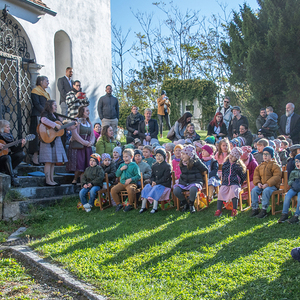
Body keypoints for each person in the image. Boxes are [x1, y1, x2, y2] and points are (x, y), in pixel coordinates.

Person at [39, 100, 68, 186]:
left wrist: (73, 126)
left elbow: (60, 126)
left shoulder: (55, 115)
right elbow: (43, 120)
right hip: (47, 139)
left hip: (54, 139)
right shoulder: (45, 113)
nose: (56, 107)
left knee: (52, 161)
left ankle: (51, 179)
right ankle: (48, 180)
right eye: (54, 105)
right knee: (48, 161)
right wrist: (54, 125)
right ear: (49, 106)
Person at [173, 145, 208, 213]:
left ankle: (191, 204)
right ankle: (185, 203)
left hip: (195, 181)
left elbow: (205, 170)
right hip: (184, 182)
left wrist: (204, 182)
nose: (182, 155)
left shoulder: (196, 161)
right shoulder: (182, 163)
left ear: (189, 155)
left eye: (184, 154)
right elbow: (183, 174)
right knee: (176, 191)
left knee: (193, 189)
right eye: (182, 154)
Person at [215, 147, 247, 217]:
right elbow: (223, 173)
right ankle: (218, 209)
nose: (231, 157)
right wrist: (224, 180)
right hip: (226, 182)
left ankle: (234, 209)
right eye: (231, 155)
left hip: (235, 183)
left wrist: (239, 182)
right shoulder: (226, 164)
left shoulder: (239, 166)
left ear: (237, 158)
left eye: (233, 157)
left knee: (234, 191)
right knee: (221, 192)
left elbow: (243, 175)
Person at [66, 106, 95, 185]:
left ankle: (82, 184)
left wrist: (91, 142)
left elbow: (92, 134)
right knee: (80, 163)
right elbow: (75, 135)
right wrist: (85, 142)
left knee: (86, 164)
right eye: (87, 111)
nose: (89, 112)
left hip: (87, 146)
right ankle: (75, 179)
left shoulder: (89, 122)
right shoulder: (76, 121)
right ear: (82, 112)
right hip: (78, 145)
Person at [251, 146, 282, 218]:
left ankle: (264, 210)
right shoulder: (261, 165)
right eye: (264, 154)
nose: (265, 156)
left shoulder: (275, 165)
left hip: (272, 186)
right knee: (254, 190)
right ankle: (255, 208)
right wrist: (258, 183)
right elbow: (256, 175)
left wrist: (267, 184)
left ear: (271, 155)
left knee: (266, 191)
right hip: (262, 185)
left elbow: (276, 176)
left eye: (267, 154)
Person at [139, 148, 172, 214]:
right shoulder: (154, 165)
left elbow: (165, 178)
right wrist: (152, 182)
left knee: (156, 188)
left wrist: (156, 182)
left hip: (164, 184)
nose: (158, 157)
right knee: (147, 187)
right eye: (157, 155)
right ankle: (143, 207)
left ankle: (155, 207)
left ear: (164, 156)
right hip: (155, 183)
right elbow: (152, 176)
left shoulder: (167, 166)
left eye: (160, 155)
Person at [29, 75, 50, 165]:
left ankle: (42, 157)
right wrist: (45, 112)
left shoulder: (45, 93)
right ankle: (34, 158)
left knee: (44, 137)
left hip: (44, 117)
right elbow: (37, 104)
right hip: (38, 116)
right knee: (37, 136)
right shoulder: (35, 91)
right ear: (41, 82)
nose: (48, 83)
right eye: (46, 81)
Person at [0, 120, 26, 187]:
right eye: (7, 127)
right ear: (2, 128)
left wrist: (21, 145)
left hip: (4, 160)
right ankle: (12, 179)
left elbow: (14, 150)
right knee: (7, 157)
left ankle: (7, 172)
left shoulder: (8, 137)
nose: (9, 128)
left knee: (21, 154)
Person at [278, 154, 300, 224]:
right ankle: (284, 214)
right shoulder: (294, 171)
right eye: (296, 161)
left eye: (299, 161)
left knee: (299, 199)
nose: (297, 163)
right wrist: (291, 183)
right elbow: (290, 180)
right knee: (287, 197)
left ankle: (297, 215)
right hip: (294, 188)